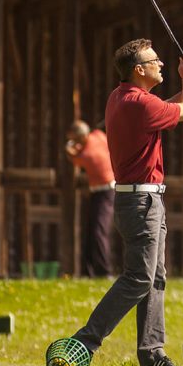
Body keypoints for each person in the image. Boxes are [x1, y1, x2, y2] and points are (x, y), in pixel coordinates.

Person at [62, 39, 183, 366]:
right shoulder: (139, 104)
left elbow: (168, 110)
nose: (161, 65)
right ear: (139, 70)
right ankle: (84, 343)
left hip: (141, 199)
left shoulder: (123, 98)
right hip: (142, 201)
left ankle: (152, 355)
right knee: (139, 278)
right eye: (154, 61)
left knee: (155, 278)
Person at [66, 119, 116, 277]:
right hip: (99, 192)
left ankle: (104, 271)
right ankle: (89, 271)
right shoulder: (99, 135)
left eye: (75, 138)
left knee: (98, 231)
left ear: (80, 137)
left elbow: (75, 159)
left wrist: (69, 148)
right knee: (91, 231)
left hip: (106, 192)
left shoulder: (87, 154)